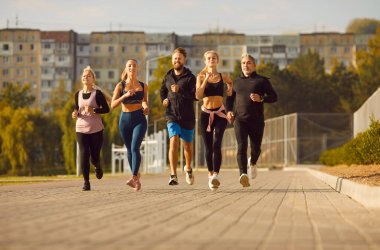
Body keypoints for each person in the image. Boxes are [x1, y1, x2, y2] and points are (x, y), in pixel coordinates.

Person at [226, 54, 278, 187]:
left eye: (249, 63)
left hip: (256, 121)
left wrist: (261, 98)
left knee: (256, 149)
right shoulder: (235, 82)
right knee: (241, 146)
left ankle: (253, 162)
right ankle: (243, 174)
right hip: (240, 120)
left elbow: (274, 97)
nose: (246, 65)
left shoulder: (262, 81)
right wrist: (229, 111)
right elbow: (230, 99)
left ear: (254, 65)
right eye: (243, 63)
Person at [196, 51, 232, 190]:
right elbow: (198, 95)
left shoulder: (223, 76)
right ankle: (210, 175)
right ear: (205, 61)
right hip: (206, 115)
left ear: (217, 61)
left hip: (220, 113)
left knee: (217, 144)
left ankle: (216, 175)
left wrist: (230, 87)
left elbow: (230, 82)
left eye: (214, 58)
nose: (211, 60)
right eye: (209, 58)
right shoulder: (200, 76)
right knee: (208, 146)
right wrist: (205, 80)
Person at [160, 47, 197, 185]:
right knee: (173, 140)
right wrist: (163, 99)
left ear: (184, 60)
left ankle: (188, 168)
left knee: (187, 147)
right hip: (172, 115)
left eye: (179, 58)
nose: (177, 60)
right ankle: (173, 175)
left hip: (187, 116)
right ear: (172, 60)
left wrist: (181, 90)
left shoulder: (190, 77)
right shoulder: (167, 76)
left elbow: (195, 96)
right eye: (175, 58)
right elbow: (162, 91)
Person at [111, 59, 149, 191]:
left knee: (135, 148)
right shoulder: (120, 86)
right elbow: (113, 104)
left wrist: (146, 107)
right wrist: (125, 96)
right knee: (129, 150)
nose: (132, 67)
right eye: (129, 65)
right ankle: (137, 178)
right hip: (124, 120)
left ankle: (134, 177)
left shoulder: (144, 86)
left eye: (134, 65)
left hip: (139, 119)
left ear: (137, 68)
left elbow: (144, 101)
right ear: (126, 69)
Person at [72, 66, 110, 191]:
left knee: (94, 156)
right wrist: (74, 113)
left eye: (88, 76)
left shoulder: (97, 94)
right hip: (81, 128)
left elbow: (106, 109)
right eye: (84, 76)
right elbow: (76, 109)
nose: (85, 77)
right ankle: (86, 182)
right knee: (84, 153)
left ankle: (98, 166)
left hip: (96, 129)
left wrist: (94, 110)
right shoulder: (77, 94)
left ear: (93, 79)